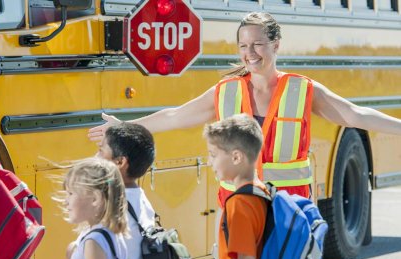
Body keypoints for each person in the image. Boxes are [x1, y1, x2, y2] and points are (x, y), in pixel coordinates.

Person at [88, 11, 401, 203]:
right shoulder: (226, 91)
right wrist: (124, 126)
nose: (249, 53)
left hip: (289, 210)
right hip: (238, 206)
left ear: (276, 45)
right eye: (243, 46)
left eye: (257, 44)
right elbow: (175, 116)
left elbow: (355, 115)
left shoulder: (302, 90)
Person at [204, 114, 267, 259]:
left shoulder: (239, 204)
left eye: (213, 155)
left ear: (236, 157)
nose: (209, 162)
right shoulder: (261, 192)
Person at [96, 122, 156, 259]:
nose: (96, 157)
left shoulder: (111, 206)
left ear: (120, 162)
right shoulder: (140, 198)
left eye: (101, 150)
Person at [63, 158, 128, 259]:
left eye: (71, 193)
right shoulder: (111, 233)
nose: (65, 201)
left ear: (95, 199)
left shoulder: (93, 241)